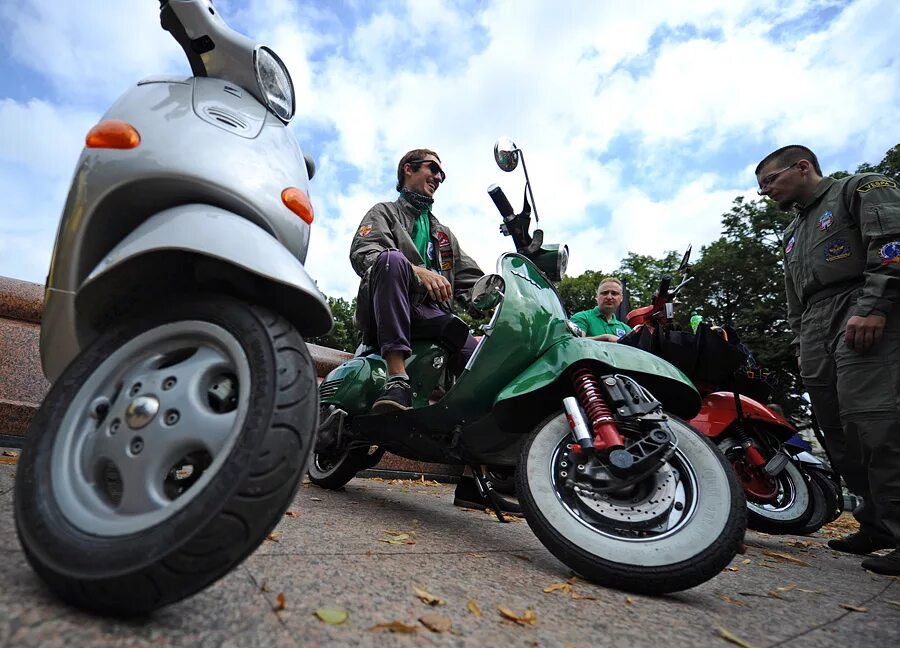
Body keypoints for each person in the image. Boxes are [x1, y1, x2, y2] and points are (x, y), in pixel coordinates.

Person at [756, 144, 900, 575]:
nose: (766, 192)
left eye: (771, 180)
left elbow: (892, 244)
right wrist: (801, 341)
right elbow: (793, 294)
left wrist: (875, 306)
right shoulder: (793, 232)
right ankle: (875, 526)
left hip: (860, 306)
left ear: (803, 168)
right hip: (817, 325)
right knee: (835, 428)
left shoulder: (860, 189)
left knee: (874, 420)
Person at [349, 148, 519, 513]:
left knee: (482, 354)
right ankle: (397, 377)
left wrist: (510, 290)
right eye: (433, 169)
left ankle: (478, 477)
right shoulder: (384, 212)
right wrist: (416, 269)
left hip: (431, 317)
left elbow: (475, 284)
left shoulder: (443, 235)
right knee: (391, 259)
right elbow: (365, 252)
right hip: (387, 309)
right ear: (409, 169)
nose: (439, 177)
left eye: (442, 174)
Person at [569, 277, 632, 342]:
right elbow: (575, 343)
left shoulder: (626, 329)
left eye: (614, 293)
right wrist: (605, 337)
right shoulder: (582, 317)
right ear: (596, 297)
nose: (609, 297)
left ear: (621, 298)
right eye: (605, 293)